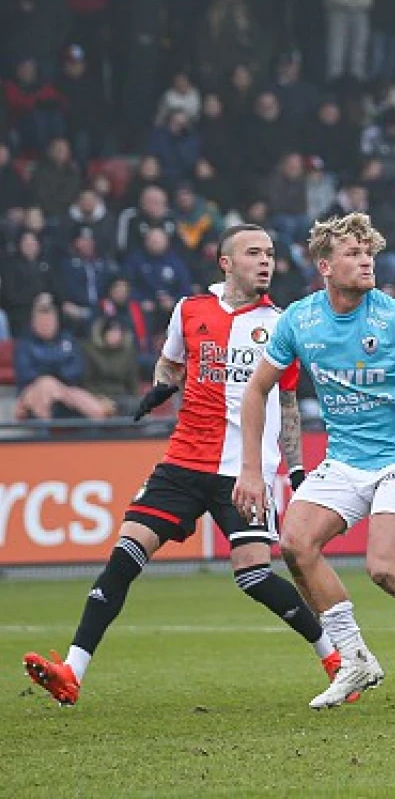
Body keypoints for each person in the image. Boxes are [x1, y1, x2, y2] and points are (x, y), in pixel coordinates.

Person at [22, 226, 340, 706]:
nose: (265, 262)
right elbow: (171, 365)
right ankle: (72, 671)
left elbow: (288, 405)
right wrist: (161, 388)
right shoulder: (190, 310)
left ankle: (336, 659)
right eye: (254, 253)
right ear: (226, 263)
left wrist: (295, 472)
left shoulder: (281, 323)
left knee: (253, 576)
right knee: (125, 554)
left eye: (270, 254)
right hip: (183, 459)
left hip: (243, 470)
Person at [231, 213, 395, 713]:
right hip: (345, 460)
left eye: (368, 252)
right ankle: (354, 658)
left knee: (384, 568)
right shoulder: (299, 319)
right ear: (325, 266)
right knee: (295, 544)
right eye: (353, 254)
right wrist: (251, 469)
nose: (365, 261)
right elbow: (257, 391)